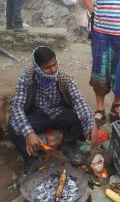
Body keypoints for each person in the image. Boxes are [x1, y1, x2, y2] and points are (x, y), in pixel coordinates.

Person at [8, 46, 97, 176]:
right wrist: (28, 133)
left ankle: (70, 145)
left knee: (80, 115)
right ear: (37, 67)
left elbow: (79, 101)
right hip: (36, 115)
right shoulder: (26, 78)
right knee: (13, 127)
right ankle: (31, 159)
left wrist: (91, 123)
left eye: (55, 64)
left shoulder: (64, 79)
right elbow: (16, 106)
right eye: (48, 67)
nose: (53, 69)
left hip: (59, 113)